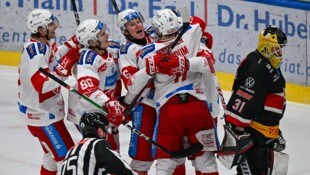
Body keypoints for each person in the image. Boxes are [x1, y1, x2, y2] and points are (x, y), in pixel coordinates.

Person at [124, 9, 219, 175]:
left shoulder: (148, 53)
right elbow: (195, 19)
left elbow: (136, 86)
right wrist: (184, 61)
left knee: (166, 164)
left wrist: (126, 101)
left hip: (169, 112)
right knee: (206, 161)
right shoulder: (192, 33)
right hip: (198, 108)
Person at [117, 9, 186, 175]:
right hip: (146, 106)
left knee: (175, 154)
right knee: (142, 158)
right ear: (125, 30)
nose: (138, 25)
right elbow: (131, 82)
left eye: (138, 21)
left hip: (169, 103)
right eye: (132, 24)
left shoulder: (154, 34)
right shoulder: (126, 51)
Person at [222, 25, 288, 174]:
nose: (280, 52)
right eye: (277, 48)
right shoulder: (257, 67)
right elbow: (245, 97)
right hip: (255, 135)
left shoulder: (267, 63)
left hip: (265, 134)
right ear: (267, 47)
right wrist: (238, 130)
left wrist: (274, 129)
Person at [18, 9, 77, 174]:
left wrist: (75, 42)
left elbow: (55, 56)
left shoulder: (44, 45)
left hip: (45, 114)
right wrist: (63, 70)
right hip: (42, 117)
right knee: (67, 161)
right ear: (40, 29)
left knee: (51, 159)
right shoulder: (36, 52)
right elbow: (41, 86)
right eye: (50, 25)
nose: (54, 27)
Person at [74, 19, 124, 152]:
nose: (107, 35)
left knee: (114, 151)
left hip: (107, 108)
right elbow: (88, 91)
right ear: (91, 42)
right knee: (101, 152)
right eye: (102, 34)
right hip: (92, 112)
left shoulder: (112, 48)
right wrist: (109, 103)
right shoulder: (87, 59)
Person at [61, 112, 136, 175]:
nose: (106, 133)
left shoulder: (71, 150)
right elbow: (124, 170)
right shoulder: (97, 144)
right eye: (106, 129)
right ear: (100, 131)